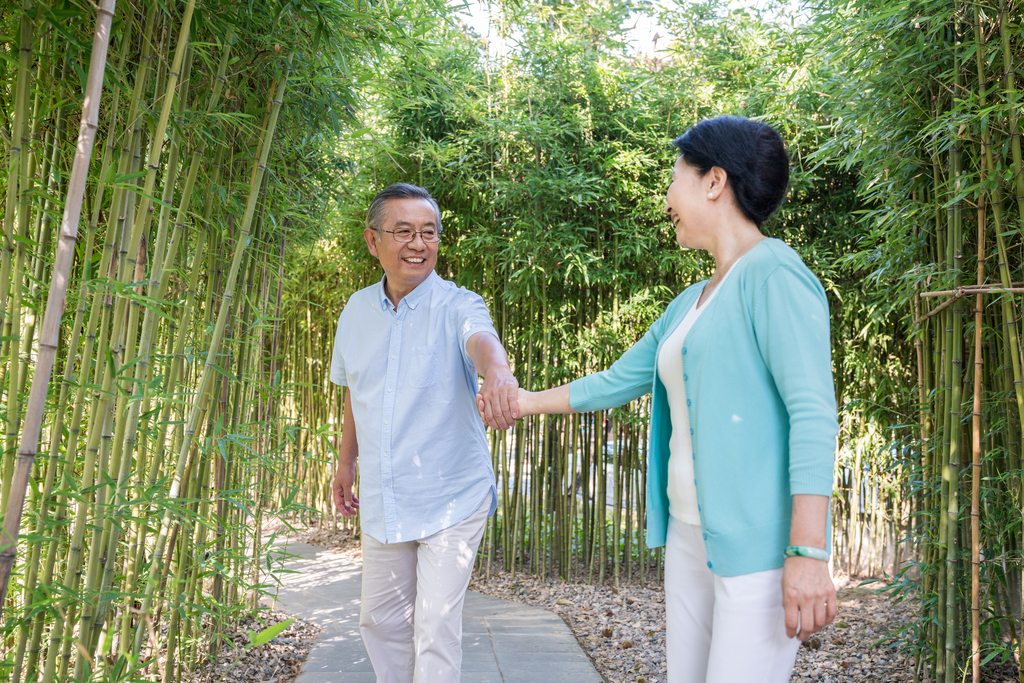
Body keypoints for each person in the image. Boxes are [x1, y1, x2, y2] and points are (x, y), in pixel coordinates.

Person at [487, 116, 839, 682]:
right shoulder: (690, 302)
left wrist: (808, 553)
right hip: (688, 535)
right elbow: (617, 379)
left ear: (714, 181)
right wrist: (520, 402)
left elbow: (814, 414)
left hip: (757, 549)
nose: (667, 198)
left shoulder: (775, 273)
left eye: (675, 177)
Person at [330, 182, 518, 683]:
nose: (418, 244)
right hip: (386, 493)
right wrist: (345, 464)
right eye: (404, 232)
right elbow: (355, 393)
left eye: (429, 232)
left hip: (452, 493)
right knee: (381, 620)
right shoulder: (355, 312)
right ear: (373, 241)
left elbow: (481, 340)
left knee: (435, 625)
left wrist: (496, 371)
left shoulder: (458, 303)